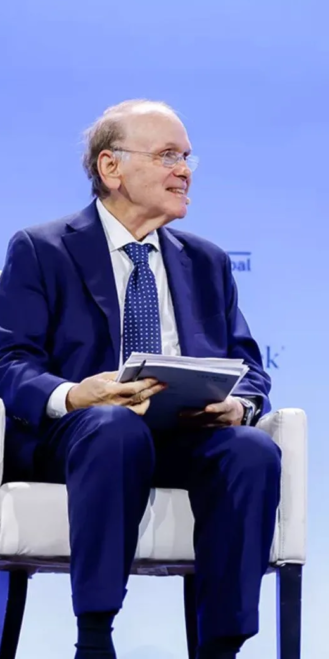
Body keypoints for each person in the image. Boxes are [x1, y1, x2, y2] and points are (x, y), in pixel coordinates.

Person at [0, 100, 281, 659]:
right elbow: (11, 360)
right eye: (168, 156)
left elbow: (249, 366)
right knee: (115, 428)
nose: (185, 171)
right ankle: (94, 637)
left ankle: (222, 647)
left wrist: (240, 406)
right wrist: (75, 394)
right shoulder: (42, 249)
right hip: (80, 440)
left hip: (184, 434)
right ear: (112, 168)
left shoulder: (207, 261)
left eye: (187, 158)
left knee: (251, 451)